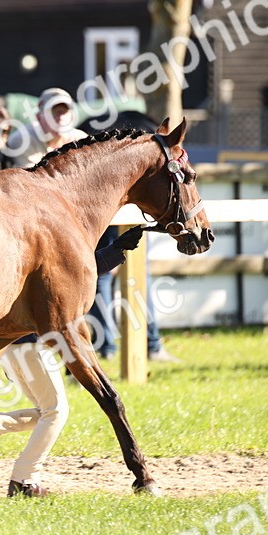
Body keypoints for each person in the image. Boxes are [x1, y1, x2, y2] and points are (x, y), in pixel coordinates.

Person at [0, 227, 145, 497]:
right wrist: (113, 253)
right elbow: (65, 278)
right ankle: (24, 479)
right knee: (56, 412)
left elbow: (68, 275)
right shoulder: (46, 237)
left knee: (47, 411)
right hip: (31, 343)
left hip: (12, 345)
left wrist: (114, 253)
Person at [78, 109, 179, 363]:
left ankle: (112, 347)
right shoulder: (143, 134)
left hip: (117, 214)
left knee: (116, 276)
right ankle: (129, 345)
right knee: (108, 276)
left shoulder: (124, 130)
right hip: (111, 215)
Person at [5, 87, 88, 167]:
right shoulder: (22, 140)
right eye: (53, 112)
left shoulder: (81, 140)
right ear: (38, 117)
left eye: (65, 111)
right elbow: (33, 180)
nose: (60, 118)